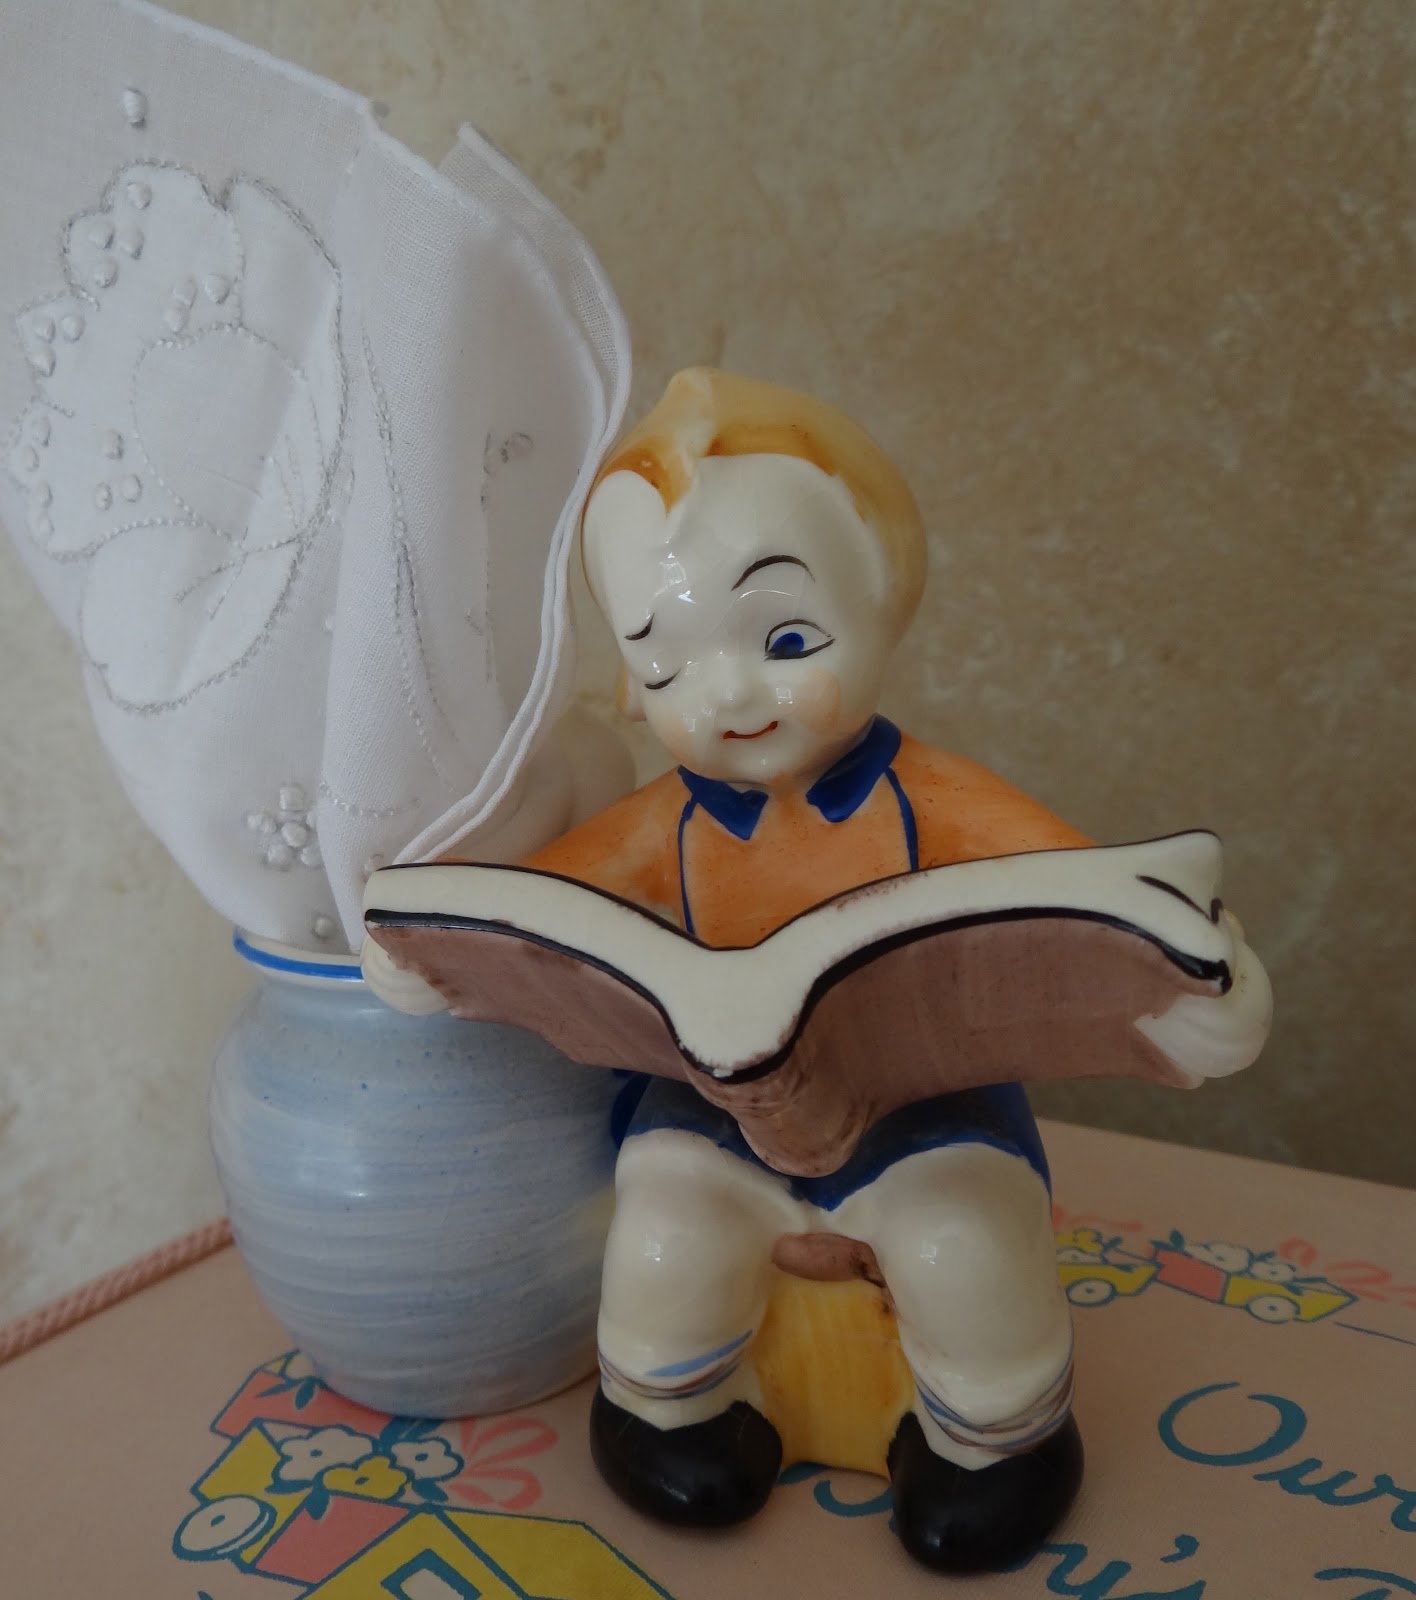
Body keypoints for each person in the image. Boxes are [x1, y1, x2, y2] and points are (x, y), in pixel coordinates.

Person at [522, 368, 1092, 1573]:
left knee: (960, 1242)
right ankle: (669, 1408)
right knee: (666, 1230)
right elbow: (541, 910)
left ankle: (996, 1437)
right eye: (667, 667)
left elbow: (1087, 901)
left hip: (923, 1112)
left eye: (786, 638)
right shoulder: (664, 822)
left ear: (883, 602)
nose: (727, 695)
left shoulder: (933, 797)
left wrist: (1189, 977)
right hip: (719, 1114)